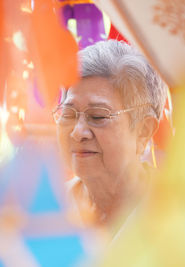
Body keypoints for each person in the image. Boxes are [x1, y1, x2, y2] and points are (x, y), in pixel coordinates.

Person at [53, 40, 167, 232]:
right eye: (68, 114)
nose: (78, 132)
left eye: (98, 116)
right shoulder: (43, 216)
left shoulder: (180, 211)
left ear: (143, 130)